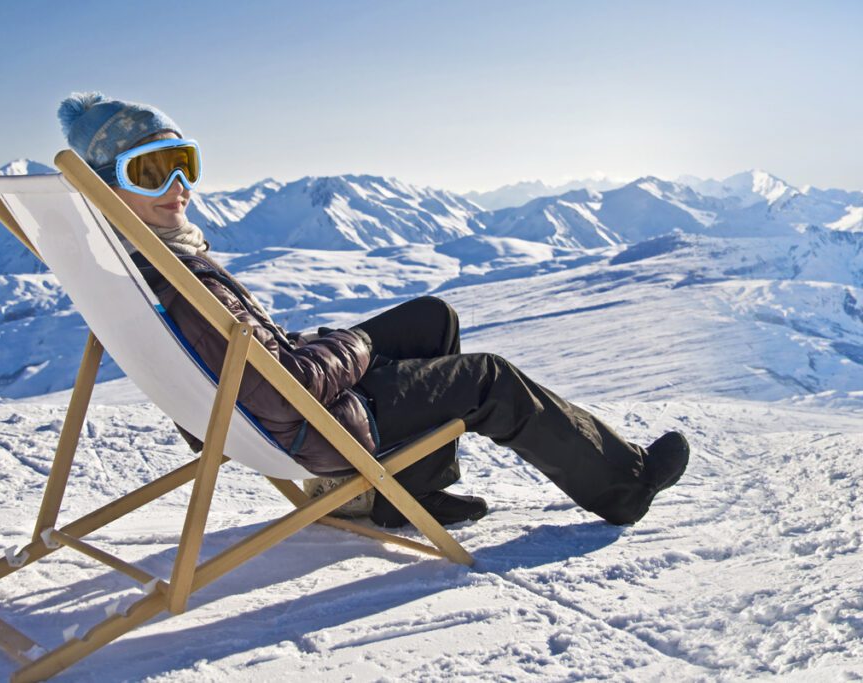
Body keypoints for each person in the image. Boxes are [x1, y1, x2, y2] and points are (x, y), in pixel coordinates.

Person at [57, 92, 690, 529]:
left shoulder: (133, 263)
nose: (179, 188)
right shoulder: (178, 278)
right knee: (488, 378)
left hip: (270, 405)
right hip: (314, 425)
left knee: (430, 319)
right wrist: (351, 346)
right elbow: (289, 387)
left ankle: (404, 492)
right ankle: (625, 487)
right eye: (151, 172)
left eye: (182, 163)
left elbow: (247, 359)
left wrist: (318, 343)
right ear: (108, 188)